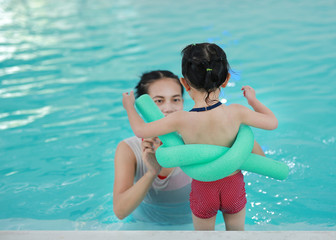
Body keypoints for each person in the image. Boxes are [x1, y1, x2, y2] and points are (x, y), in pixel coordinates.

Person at [122, 43, 277, 230]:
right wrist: (253, 100)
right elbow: (272, 122)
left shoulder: (182, 119)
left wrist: (130, 108)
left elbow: (140, 130)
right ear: (226, 79)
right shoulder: (237, 112)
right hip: (232, 186)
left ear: (184, 84)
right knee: (237, 234)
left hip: (204, 189)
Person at [113, 70, 193, 225]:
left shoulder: (196, 140)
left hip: (193, 227)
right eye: (159, 101)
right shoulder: (129, 149)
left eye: (176, 99)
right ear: (144, 107)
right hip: (144, 228)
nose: (168, 108)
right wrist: (152, 173)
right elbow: (120, 211)